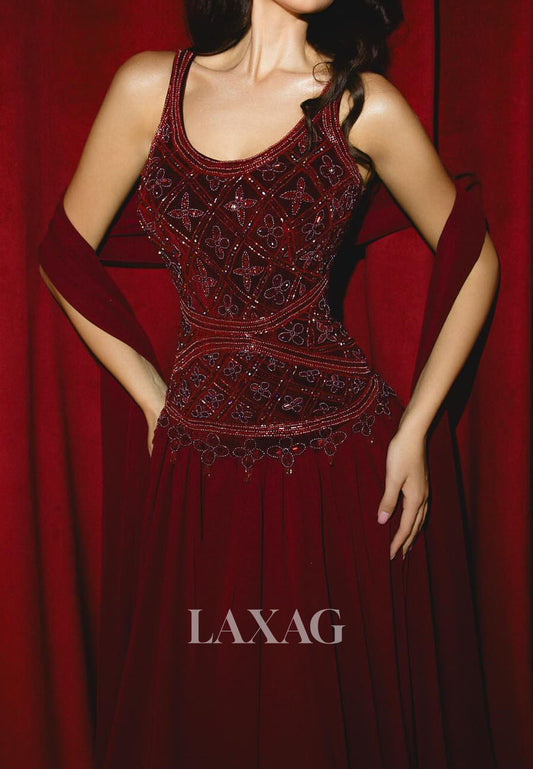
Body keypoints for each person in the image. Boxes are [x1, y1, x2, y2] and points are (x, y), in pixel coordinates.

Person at [39, 1, 500, 767]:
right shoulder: (148, 89)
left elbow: (472, 257)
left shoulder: (360, 105)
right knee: (209, 716)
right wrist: (153, 396)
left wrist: (415, 428)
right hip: (202, 467)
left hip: (340, 470)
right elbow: (63, 252)